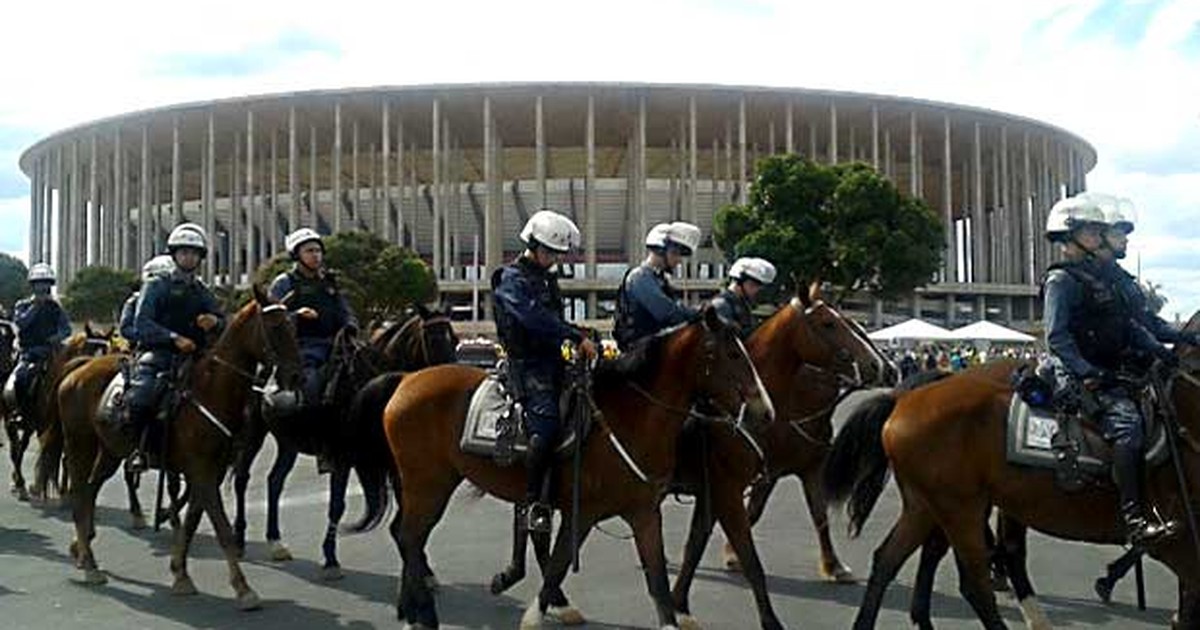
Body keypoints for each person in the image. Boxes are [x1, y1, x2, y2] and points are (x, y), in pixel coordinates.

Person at [1041, 194, 1177, 546]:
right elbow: (1056, 337)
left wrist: (1168, 347)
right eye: (1090, 232)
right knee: (1127, 425)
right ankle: (1133, 518)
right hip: (1079, 373)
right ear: (1069, 238)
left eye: (1099, 232)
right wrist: (1087, 371)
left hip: (1111, 368)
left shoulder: (1099, 277)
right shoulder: (1063, 280)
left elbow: (1130, 327)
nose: (1099, 237)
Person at [491, 209, 597, 533]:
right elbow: (533, 318)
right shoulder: (512, 279)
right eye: (550, 252)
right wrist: (573, 335)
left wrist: (582, 333)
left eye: (557, 254)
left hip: (553, 362)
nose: (553, 259)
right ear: (533, 245)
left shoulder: (546, 279)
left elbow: (554, 322)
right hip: (525, 365)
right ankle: (534, 502)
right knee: (546, 426)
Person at [125, 223, 225, 472]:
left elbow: (222, 320)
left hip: (196, 355)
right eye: (183, 252)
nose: (188, 257)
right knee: (142, 396)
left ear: (200, 257)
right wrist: (173, 338)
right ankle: (140, 449)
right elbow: (142, 323)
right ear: (175, 255)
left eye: (193, 253)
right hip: (159, 354)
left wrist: (215, 322)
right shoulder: (157, 285)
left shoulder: (202, 290)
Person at [1091, 194, 1200, 348]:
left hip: (1131, 365)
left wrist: (1187, 337)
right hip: (1101, 367)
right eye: (1117, 235)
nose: (1125, 239)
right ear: (1098, 238)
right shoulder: (1082, 279)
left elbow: (1147, 322)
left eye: (1124, 235)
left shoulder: (1123, 279)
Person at [269, 228, 358, 409]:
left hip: (336, 345)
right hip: (303, 347)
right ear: (296, 255)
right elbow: (271, 320)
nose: (316, 255)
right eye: (309, 251)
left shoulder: (329, 282)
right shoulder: (284, 283)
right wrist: (296, 316)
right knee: (310, 386)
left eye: (318, 251)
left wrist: (350, 325)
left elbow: (345, 310)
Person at [613, 221, 702, 350]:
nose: (678, 260)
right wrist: (698, 313)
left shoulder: (660, 280)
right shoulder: (640, 277)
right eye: (674, 253)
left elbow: (676, 308)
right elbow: (667, 313)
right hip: (639, 354)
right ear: (660, 250)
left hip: (655, 348)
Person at [11, 263, 72, 419]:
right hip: (30, 353)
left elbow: (67, 329)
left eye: (45, 283)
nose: (42, 287)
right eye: (39, 284)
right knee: (21, 378)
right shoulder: (22, 305)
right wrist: (36, 306)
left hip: (52, 352)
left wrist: (57, 337)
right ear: (33, 286)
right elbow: (21, 323)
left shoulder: (56, 307)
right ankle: (22, 412)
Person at [711, 257, 777, 338]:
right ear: (738, 282)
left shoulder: (744, 304)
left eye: (759, 287)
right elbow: (730, 338)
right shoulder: (721, 304)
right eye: (753, 285)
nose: (756, 290)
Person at [119, 255, 176, 346]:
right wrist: (147, 335)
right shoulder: (134, 301)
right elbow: (125, 328)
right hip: (146, 345)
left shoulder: (182, 297)